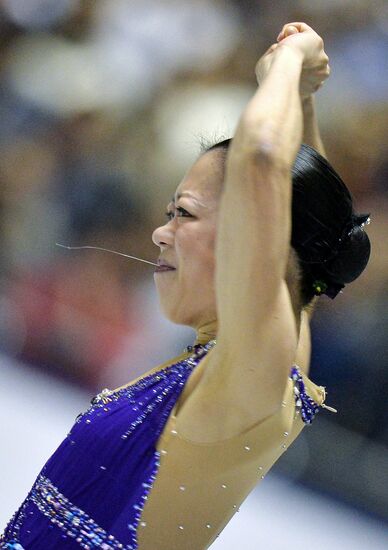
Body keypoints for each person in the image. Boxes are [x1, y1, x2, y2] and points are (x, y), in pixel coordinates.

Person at [1, 22, 370, 550]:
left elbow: (264, 159)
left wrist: (288, 64)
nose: (160, 231)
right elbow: (308, 225)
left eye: (185, 214)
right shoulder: (272, 346)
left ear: (249, 235)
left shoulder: (248, 370)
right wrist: (306, 103)